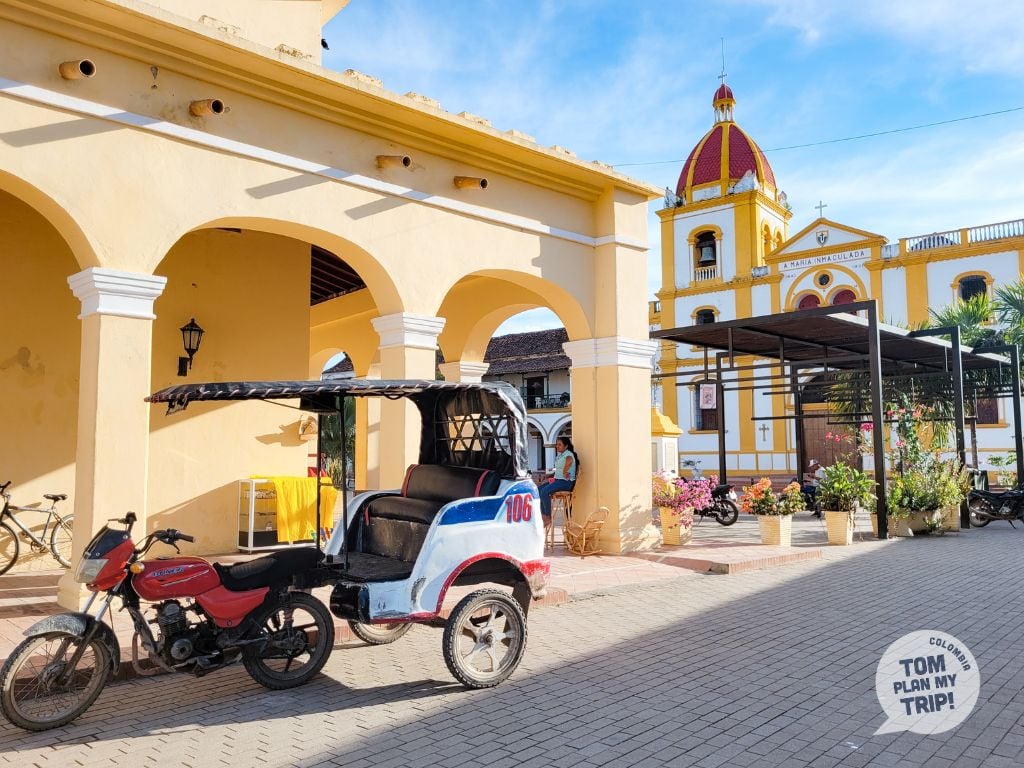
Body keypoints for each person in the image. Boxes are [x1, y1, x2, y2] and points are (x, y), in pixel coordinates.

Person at [540, 436, 578, 527]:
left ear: (566, 446)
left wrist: (565, 471)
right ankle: (544, 515)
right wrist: (548, 475)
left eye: (559, 445)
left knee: (544, 492)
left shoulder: (568, 454)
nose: (557, 446)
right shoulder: (560, 456)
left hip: (565, 482)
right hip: (557, 480)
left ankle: (548, 516)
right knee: (538, 490)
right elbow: (558, 470)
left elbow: (569, 461)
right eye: (557, 444)